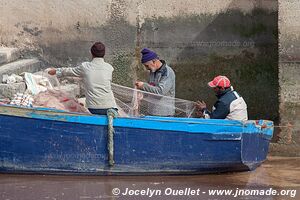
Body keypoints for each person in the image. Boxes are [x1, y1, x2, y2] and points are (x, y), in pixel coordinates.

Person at [47, 42, 117, 115]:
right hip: (111, 107)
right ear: (104, 53)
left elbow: (69, 71)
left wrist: (56, 71)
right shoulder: (109, 68)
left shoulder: (85, 67)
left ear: (91, 53)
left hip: (94, 108)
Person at [135, 48, 176, 116]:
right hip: (152, 111)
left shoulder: (167, 73)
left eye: (147, 66)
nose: (146, 68)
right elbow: (151, 87)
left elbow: (160, 91)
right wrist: (143, 94)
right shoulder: (153, 71)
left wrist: (143, 86)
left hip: (165, 114)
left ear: (154, 61)